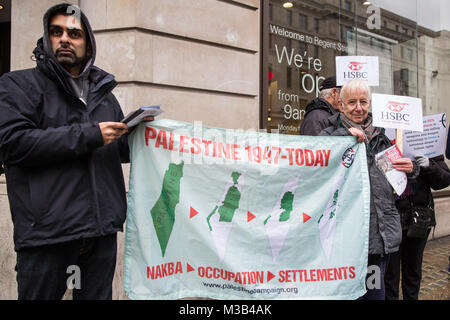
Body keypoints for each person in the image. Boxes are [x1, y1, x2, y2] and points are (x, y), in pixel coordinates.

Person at [0, 3, 146, 300]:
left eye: (74, 33)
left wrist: (141, 138)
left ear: (88, 43)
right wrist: (91, 134)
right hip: (47, 236)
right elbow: (14, 143)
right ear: (46, 38)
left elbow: (114, 150)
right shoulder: (17, 85)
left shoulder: (102, 92)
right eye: (57, 32)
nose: (65, 39)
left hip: (100, 234)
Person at [319, 79, 417, 300]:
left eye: (363, 102)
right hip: (343, 237)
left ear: (370, 104)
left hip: (378, 237)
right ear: (341, 105)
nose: (358, 107)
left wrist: (412, 168)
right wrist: (344, 137)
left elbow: (401, 181)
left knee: (374, 294)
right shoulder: (328, 134)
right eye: (351, 102)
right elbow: (315, 162)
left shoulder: (383, 138)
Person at [385, 155, 450, 300]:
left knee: (413, 273)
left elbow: (444, 180)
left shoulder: (427, 144)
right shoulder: (381, 138)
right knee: (389, 276)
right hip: (390, 218)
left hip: (419, 217)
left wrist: (429, 165)